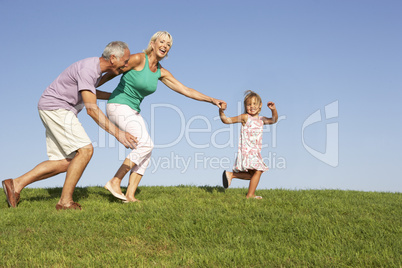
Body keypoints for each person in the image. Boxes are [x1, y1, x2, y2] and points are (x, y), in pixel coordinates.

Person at [2, 41, 138, 210]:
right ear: (112, 58)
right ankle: (65, 202)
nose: (126, 65)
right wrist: (119, 134)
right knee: (86, 150)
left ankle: (15, 184)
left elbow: (90, 93)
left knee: (65, 162)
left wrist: (116, 97)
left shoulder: (94, 70)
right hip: (57, 108)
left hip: (52, 108)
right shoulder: (89, 70)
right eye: (124, 61)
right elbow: (92, 110)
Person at [97, 31, 226, 202]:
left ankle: (130, 195)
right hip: (118, 105)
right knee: (145, 144)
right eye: (162, 42)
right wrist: (89, 89)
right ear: (153, 43)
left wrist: (211, 100)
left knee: (147, 150)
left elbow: (185, 90)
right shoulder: (137, 59)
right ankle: (115, 180)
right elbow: (112, 72)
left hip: (133, 110)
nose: (165, 46)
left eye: (168, 45)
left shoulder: (160, 72)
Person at [219, 90, 278, 199]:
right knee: (259, 170)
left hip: (255, 152)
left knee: (253, 175)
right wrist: (221, 111)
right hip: (247, 151)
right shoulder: (245, 117)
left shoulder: (262, 119)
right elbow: (226, 120)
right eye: (249, 104)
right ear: (245, 106)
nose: (252, 106)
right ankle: (250, 195)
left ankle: (231, 175)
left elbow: (274, 120)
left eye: (254, 104)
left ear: (260, 105)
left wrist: (273, 110)